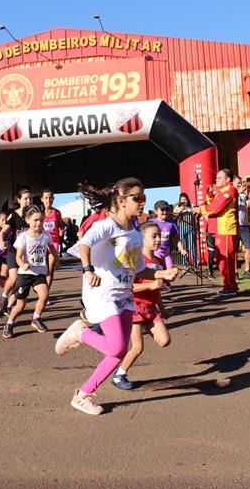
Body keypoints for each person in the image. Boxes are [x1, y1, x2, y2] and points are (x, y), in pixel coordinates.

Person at [55, 177, 179, 415]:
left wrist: (163, 273)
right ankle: (81, 333)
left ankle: (82, 395)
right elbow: (84, 245)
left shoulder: (133, 234)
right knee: (118, 346)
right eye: (137, 198)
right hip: (102, 293)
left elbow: (138, 268)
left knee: (119, 352)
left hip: (124, 296)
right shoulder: (106, 226)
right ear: (121, 201)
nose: (142, 202)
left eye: (144, 198)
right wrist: (87, 269)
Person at [111, 221, 172, 390]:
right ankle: (119, 375)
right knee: (137, 347)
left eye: (159, 235)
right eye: (154, 236)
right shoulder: (134, 258)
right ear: (142, 239)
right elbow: (126, 286)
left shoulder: (159, 261)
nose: (158, 239)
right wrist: (149, 286)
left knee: (164, 341)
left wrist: (163, 307)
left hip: (151, 308)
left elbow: (157, 288)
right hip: (134, 307)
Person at [2, 205, 57, 338]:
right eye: (35, 220)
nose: (39, 223)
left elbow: (52, 249)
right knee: (21, 305)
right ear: (28, 220)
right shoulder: (23, 237)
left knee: (44, 295)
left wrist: (56, 258)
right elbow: (18, 257)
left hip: (39, 273)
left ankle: (36, 318)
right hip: (25, 274)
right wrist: (22, 264)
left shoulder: (46, 236)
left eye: (41, 220)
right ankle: (9, 323)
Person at [199, 169, 238, 296]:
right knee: (222, 259)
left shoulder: (229, 191)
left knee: (225, 260)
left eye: (220, 178)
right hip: (219, 229)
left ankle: (230, 286)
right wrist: (209, 195)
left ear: (227, 179)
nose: (216, 180)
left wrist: (200, 209)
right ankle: (228, 285)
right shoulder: (221, 192)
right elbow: (212, 204)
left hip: (225, 229)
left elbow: (215, 209)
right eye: (216, 178)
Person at [0, 188, 32, 314]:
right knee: (13, 278)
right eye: (25, 198)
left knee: (22, 283)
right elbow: (2, 232)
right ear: (19, 200)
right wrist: (1, 242)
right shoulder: (13, 215)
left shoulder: (34, 215)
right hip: (13, 251)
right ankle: (4, 296)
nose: (28, 201)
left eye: (30, 198)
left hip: (27, 253)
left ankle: (9, 305)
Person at [149, 200, 187, 271]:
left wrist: (181, 249)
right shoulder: (151, 222)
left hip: (166, 253)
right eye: (162, 209)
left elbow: (176, 237)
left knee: (170, 272)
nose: (165, 212)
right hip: (155, 253)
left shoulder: (171, 223)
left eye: (167, 209)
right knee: (158, 274)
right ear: (156, 211)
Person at [232, 177, 250, 279]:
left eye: (241, 183)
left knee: (248, 248)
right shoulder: (232, 193)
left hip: (245, 225)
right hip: (234, 225)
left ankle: (247, 270)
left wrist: (249, 198)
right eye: (238, 183)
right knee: (234, 250)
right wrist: (238, 192)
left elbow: (249, 206)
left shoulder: (242, 194)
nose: (240, 185)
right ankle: (235, 272)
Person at [40, 189, 64, 289]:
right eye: (46, 198)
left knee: (50, 269)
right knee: (42, 269)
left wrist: (61, 231)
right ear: (42, 199)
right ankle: (41, 288)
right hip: (41, 243)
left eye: (50, 198)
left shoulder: (57, 213)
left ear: (53, 199)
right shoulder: (39, 213)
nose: (48, 200)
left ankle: (46, 293)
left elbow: (61, 226)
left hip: (54, 242)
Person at [173, 193, 198, 268]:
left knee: (191, 246)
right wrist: (180, 210)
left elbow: (196, 213)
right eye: (182, 199)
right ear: (180, 200)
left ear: (187, 200)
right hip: (181, 227)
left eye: (185, 199)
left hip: (190, 227)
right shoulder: (177, 207)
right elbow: (175, 216)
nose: (183, 201)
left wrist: (189, 210)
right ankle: (185, 265)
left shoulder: (191, 206)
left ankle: (195, 265)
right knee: (183, 246)